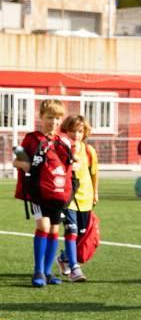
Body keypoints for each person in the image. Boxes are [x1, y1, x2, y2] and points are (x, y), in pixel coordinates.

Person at [13, 99, 69, 287]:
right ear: (41, 117)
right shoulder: (32, 138)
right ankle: (38, 270)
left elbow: (68, 166)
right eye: (49, 117)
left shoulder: (61, 141)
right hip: (37, 192)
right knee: (43, 227)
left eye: (57, 118)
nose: (53, 122)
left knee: (54, 229)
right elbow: (17, 161)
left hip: (56, 193)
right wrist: (27, 165)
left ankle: (47, 271)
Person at [58, 115, 98, 282]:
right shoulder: (61, 149)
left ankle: (64, 258)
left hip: (85, 198)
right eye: (73, 131)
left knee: (81, 233)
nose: (76, 134)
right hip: (68, 198)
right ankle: (75, 268)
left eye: (80, 131)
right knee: (71, 231)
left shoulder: (89, 151)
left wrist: (95, 192)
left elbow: (94, 173)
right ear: (66, 131)